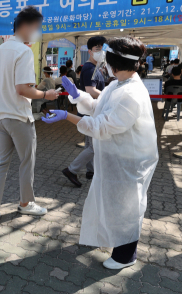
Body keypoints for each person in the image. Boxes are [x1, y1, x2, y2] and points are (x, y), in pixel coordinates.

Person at [42, 37, 158, 269]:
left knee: (127, 207)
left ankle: (126, 254)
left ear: (114, 63)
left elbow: (103, 125)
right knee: (110, 202)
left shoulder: (131, 93)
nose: (100, 61)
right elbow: (98, 107)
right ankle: (107, 238)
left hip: (129, 160)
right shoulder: (118, 84)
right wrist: (77, 95)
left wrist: (68, 117)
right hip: (115, 157)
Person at [0, 6, 58, 224]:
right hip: (18, 116)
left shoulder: (2, 49)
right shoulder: (24, 51)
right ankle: (26, 203)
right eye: (37, 27)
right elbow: (23, 89)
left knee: (1, 162)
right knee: (26, 161)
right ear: (25, 26)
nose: (38, 32)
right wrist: (47, 94)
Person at [62, 36, 107, 187]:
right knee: (93, 147)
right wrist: (110, 96)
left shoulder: (95, 68)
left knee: (90, 145)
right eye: (97, 49)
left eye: (102, 48)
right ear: (89, 51)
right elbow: (91, 91)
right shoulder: (89, 68)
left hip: (92, 111)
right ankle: (72, 170)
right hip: (90, 112)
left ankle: (91, 171)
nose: (100, 52)